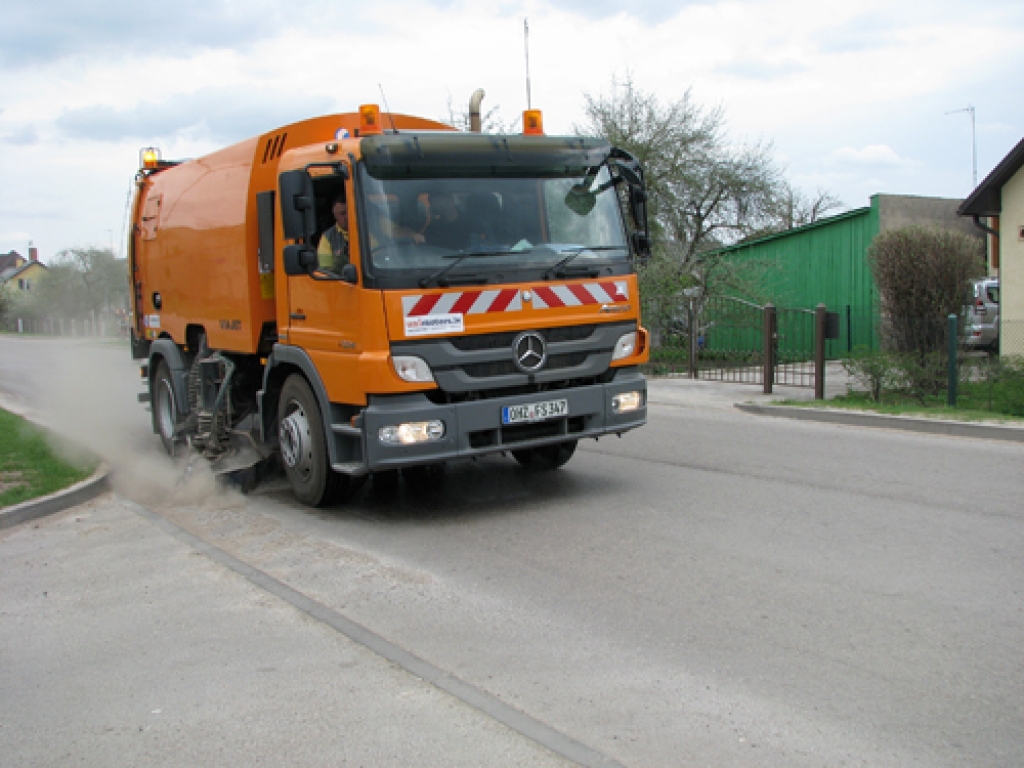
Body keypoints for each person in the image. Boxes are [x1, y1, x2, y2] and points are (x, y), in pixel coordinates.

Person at [423, 191, 494, 251]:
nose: (433, 204)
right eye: (431, 202)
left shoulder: (476, 224)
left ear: (450, 201)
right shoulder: (433, 228)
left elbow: (491, 249)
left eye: (437, 200)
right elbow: (427, 251)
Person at [317, 193, 349, 271]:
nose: (347, 216)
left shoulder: (370, 231)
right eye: (343, 213)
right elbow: (324, 271)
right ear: (335, 216)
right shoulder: (327, 237)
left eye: (350, 211)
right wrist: (339, 262)